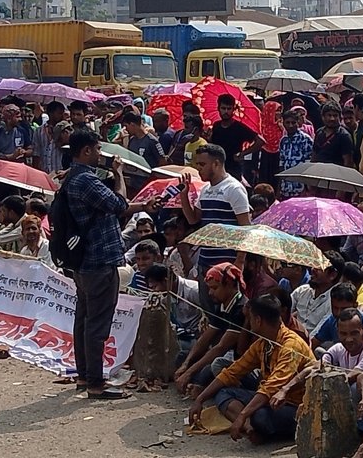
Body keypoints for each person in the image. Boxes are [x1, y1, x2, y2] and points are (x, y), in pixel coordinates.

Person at [63, 129, 158, 399]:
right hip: (99, 260)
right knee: (97, 324)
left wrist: (143, 205)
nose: (100, 154)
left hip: (83, 261)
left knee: (83, 319)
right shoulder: (86, 180)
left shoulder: (72, 178)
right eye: (97, 149)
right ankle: (95, 383)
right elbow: (118, 203)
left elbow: (112, 206)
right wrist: (118, 174)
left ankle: (84, 376)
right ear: (86, 151)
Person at [189, 294, 316, 443]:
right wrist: (200, 399)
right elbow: (233, 371)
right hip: (272, 399)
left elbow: (271, 387)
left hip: (295, 404)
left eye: (249, 319)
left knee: (259, 415)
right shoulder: (263, 343)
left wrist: (242, 415)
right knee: (223, 393)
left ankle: (264, 430)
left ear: (258, 320)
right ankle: (250, 428)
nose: (248, 323)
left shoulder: (290, 345)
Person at [179, 143, 251, 304]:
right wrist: (184, 195)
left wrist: (239, 261)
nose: (199, 169)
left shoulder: (234, 189)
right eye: (197, 164)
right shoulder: (205, 190)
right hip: (205, 261)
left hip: (226, 263)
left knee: (225, 312)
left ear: (216, 164)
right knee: (207, 309)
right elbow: (193, 219)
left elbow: (245, 227)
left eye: (202, 164)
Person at [174, 263, 247, 394]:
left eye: (214, 288)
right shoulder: (222, 304)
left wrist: (189, 372)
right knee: (184, 356)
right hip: (223, 355)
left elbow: (221, 347)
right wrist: (186, 365)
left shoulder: (241, 309)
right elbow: (205, 338)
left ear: (229, 285)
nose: (210, 293)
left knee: (213, 366)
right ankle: (198, 384)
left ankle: (202, 387)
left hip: (237, 360)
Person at [312, 283, 363, 351]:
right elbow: (314, 342)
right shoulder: (333, 319)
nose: (338, 313)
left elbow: (360, 355)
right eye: (335, 308)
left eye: (343, 308)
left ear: (355, 305)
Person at [208, 93, 263, 181]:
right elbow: (213, 145)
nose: (226, 111)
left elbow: (260, 141)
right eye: (223, 108)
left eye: (229, 109)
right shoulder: (216, 126)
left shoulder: (239, 127)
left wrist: (243, 154)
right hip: (217, 167)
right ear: (218, 108)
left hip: (233, 169)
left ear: (233, 109)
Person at [291, 252, 342, 334]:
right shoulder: (302, 291)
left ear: (332, 275)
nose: (313, 269)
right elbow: (284, 311)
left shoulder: (334, 302)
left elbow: (317, 335)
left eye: (319, 267)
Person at [278, 109, 313, 198]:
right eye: (287, 122)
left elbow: (309, 164)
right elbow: (282, 164)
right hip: (286, 187)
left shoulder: (306, 139)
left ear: (298, 123)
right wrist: (279, 187)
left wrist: (307, 187)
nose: (290, 125)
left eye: (293, 123)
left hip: (300, 187)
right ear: (283, 123)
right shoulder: (283, 141)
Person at [312, 101, 354, 167]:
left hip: (335, 174)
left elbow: (348, 162)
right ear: (323, 117)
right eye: (329, 115)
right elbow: (314, 155)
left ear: (340, 117)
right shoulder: (319, 132)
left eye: (335, 115)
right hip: (319, 171)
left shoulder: (344, 136)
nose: (332, 119)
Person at [31, 102, 65, 174]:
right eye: (59, 113)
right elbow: (36, 153)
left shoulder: (65, 131)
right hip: (43, 172)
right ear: (51, 113)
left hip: (59, 172)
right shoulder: (39, 130)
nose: (61, 116)